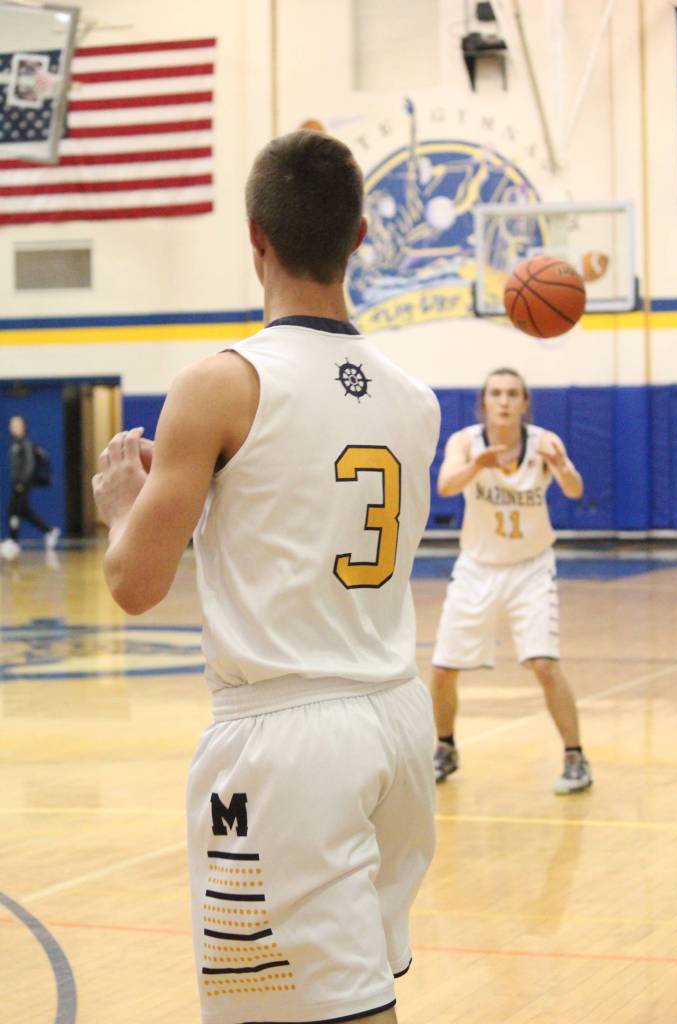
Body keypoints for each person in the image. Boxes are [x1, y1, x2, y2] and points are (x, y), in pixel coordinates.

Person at [92, 130, 441, 1024]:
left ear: (255, 235)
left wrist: (118, 508)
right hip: (394, 720)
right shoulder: (415, 400)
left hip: (287, 741)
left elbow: (134, 583)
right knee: (356, 994)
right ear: (360, 235)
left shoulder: (220, 385)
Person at [430, 368, 592, 795]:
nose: (504, 401)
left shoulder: (545, 442)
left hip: (531, 567)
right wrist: (476, 466)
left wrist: (561, 465)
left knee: (543, 663)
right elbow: (446, 486)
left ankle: (576, 757)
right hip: (477, 566)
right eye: (496, 394)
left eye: (513, 394)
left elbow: (574, 490)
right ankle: (444, 748)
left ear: (525, 403)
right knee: (443, 668)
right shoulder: (465, 442)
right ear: (484, 402)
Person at [1, 415, 60, 561]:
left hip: (23, 483)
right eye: (11, 424)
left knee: (17, 510)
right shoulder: (15, 443)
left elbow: (30, 465)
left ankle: (17, 540)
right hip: (17, 483)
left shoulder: (26, 443)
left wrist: (22, 482)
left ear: (22, 426)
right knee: (18, 511)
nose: (12, 427)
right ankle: (17, 539)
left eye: (15, 424)